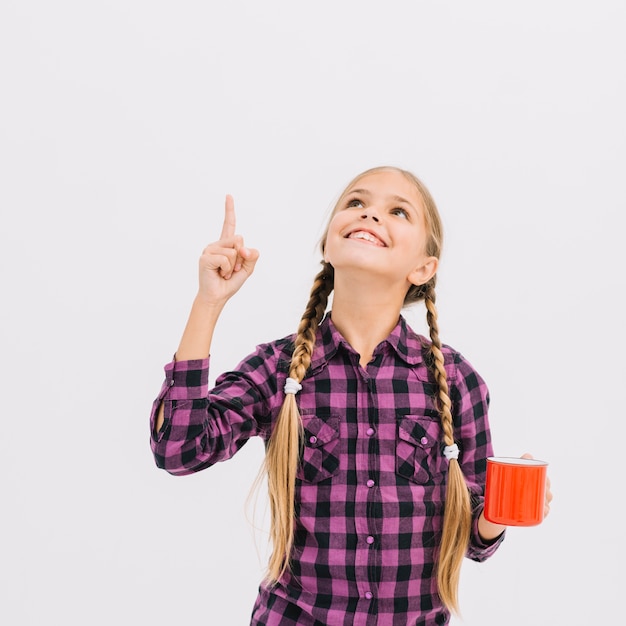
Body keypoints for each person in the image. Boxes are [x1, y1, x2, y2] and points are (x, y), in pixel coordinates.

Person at [149, 166, 552, 625]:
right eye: (356, 203)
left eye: (397, 211)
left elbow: (475, 541)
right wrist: (209, 302)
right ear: (328, 244)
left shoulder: (457, 381)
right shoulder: (279, 369)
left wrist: (501, 511)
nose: (370, 214)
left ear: (423, 268)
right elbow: (178, 449)